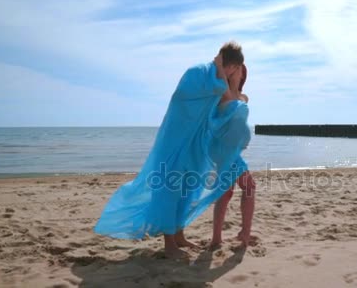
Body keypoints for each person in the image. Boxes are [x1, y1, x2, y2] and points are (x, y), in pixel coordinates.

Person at [94, 42, 244, 259]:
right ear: (230, 65)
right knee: (169, 189)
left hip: (196, 142)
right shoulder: (197, 72)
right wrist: (221, 72)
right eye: (234, 69)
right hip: (176, 140)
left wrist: (224, 76)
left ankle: (179, 235)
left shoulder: (218, 78)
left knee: (188, 190)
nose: (232, 74)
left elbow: (228, 100)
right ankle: (169, 244)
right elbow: (197, 95)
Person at [209, 64, 256, 249]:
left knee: (226, 192)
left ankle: (217, 239)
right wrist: (220, 62)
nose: (240, 71)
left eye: (243, 69)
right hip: (223, 150)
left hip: (233, 151)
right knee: (249, 186)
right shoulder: (222, 94)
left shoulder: (244, 97)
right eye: (236, 68)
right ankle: (243, 234)